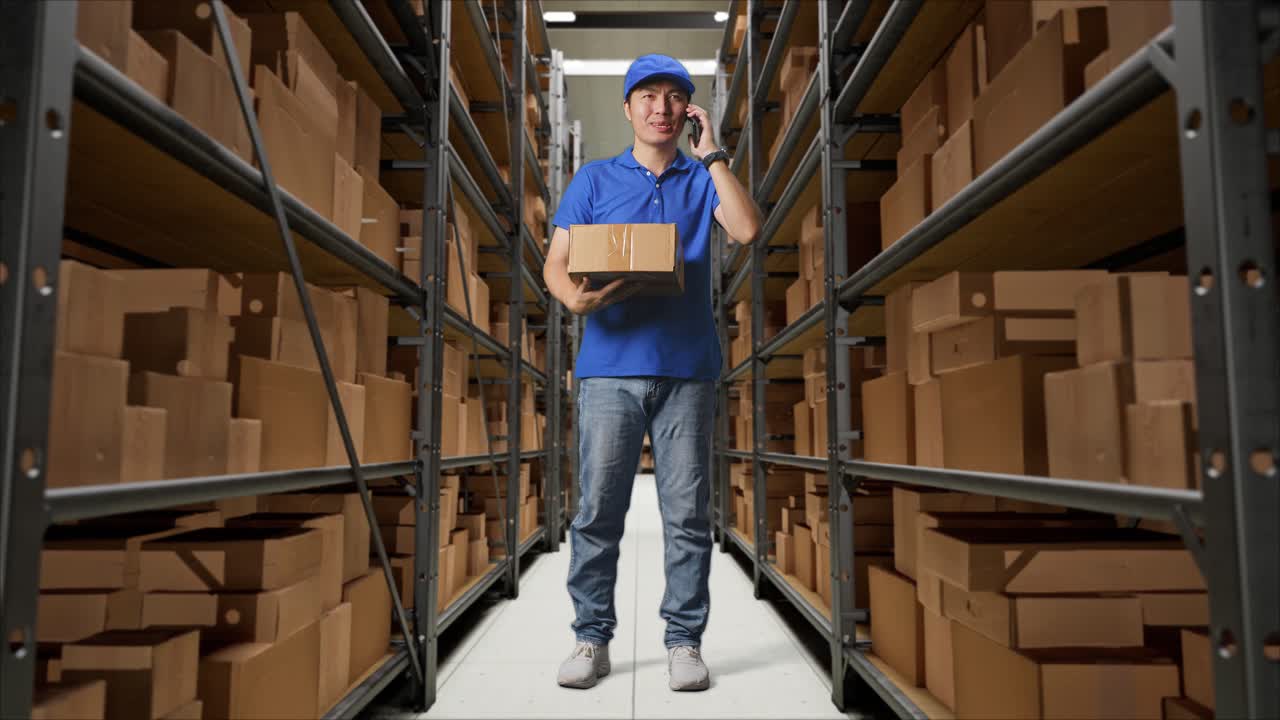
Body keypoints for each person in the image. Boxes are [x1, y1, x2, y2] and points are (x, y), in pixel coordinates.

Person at [542, 54, 762, 692]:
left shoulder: (702, 181)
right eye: (647, 95)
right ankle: (591, 637)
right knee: (597, 512)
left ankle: (684, 642)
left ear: (689, 111)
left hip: (687, 369)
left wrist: (714, 153)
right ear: (627, 107)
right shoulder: (593, 179)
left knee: (688, 515)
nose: (660, 107)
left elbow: (745, 229)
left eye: (674, 97)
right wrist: (572, 300)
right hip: (609, 369)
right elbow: (556, 263)